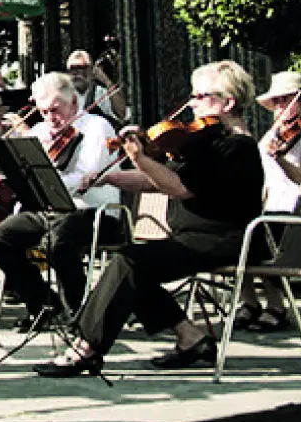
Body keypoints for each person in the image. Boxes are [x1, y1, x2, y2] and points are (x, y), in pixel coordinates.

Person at [36, 60, 265, 376]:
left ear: (227, 103)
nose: (192, 103)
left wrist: (140, 159)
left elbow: (178, 187)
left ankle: (85, 347)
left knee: (129, 262)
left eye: (201, 96)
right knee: (133, 266)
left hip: (224, 240)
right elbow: (156, 180)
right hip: (193, 237)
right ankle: (191, 337)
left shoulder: (237, 146)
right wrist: (111, 178)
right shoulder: (208, 143)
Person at [0, 72, 120, 331]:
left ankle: (79, 315)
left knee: (57, 241)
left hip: (94, 210)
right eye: (43, 111)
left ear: (74, 103)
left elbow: (86, 177)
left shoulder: (97, 127)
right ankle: (44, 305)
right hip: (49, 211)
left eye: (55, 110)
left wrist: (48, 174)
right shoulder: (40, 131)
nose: (50, 118)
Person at [237, 71, 301, 333]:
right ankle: (250, 301)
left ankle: (276, 307)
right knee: (233, 233)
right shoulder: (273, 135)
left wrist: (279, 158)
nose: (280, 106)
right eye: (276, 101)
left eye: (286, 99)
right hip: (271, 210)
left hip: (299, 212)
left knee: (262, 239)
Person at [66, 49, 127, 124]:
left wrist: (106, 81)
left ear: (91, 70)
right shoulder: (62, 94)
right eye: (73, 68)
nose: (78, 73)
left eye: (82, 68)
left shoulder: (99, 92)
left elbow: (122, 114)